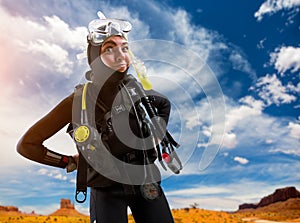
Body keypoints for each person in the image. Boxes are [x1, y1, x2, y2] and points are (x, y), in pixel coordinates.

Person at [17, 12, 176, 223]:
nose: (121, 55)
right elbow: (27, 145)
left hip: (146, 181)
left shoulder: (135, 91)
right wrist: (68, 162)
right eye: (109, 48)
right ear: (94, 57)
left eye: (125, 47)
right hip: (105, 189)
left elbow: (164, 104)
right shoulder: (76, 102)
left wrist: (156, 134)